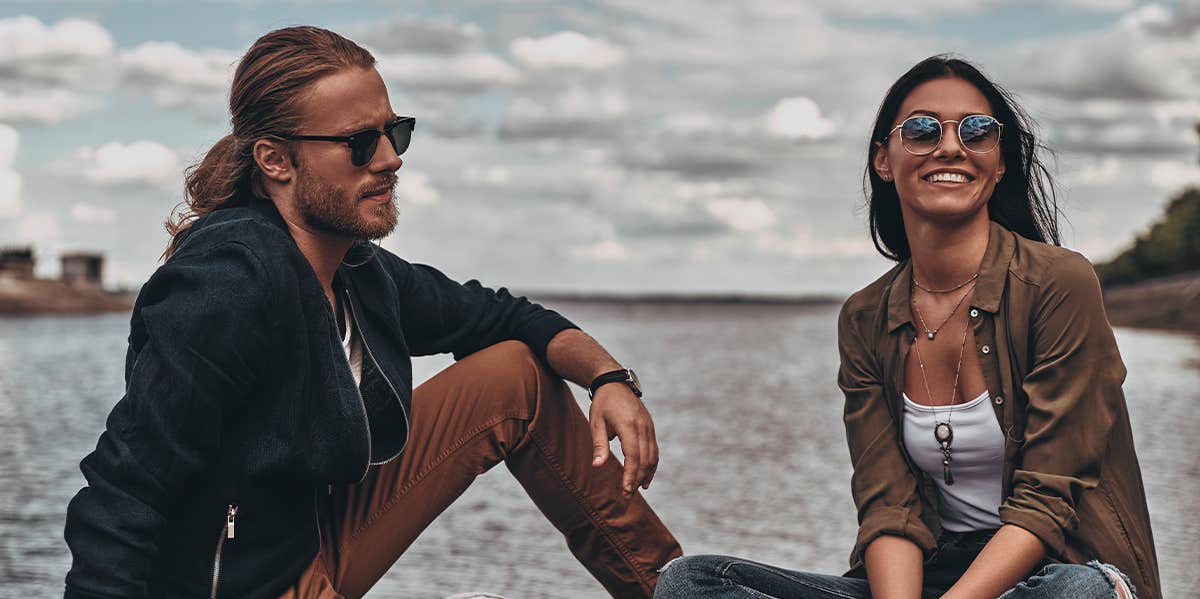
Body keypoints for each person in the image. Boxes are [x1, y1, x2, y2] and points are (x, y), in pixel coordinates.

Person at [63, 26, 680, 599]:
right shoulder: (226, 285)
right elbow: (125, 488)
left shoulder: (358, 269)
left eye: (395, 132)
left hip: (315, 535)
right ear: (275, 160)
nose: (390, 159)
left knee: (515, 374)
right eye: (360, 143)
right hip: (242, 585)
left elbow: (502, 317)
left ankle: (673, 588)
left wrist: (609, 379)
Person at [655, 55, 1159, 598]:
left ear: (1000, 160)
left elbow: (1046, 499)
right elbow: (889, 508)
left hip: (1057, 570)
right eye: (921, 129)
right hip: (928, 578)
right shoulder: (865, 317)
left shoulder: (1059, 283)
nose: (949, 146)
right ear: (884, 160)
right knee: (694, 582)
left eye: (977, 130)